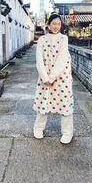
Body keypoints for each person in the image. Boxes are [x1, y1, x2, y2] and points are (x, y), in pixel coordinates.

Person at [33, 13, 74, 144]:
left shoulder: (64, 39)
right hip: (45, 77)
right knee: (44, 101)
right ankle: (38, 128)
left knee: (65, 103)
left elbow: (62, 59)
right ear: (48, 24)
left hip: (62, 77)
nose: (56, 26)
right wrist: (45, 77)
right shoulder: (42, 40)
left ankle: (68, 132)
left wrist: (52, 77)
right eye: (54, 23)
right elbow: (39, 60)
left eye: (58, 24)